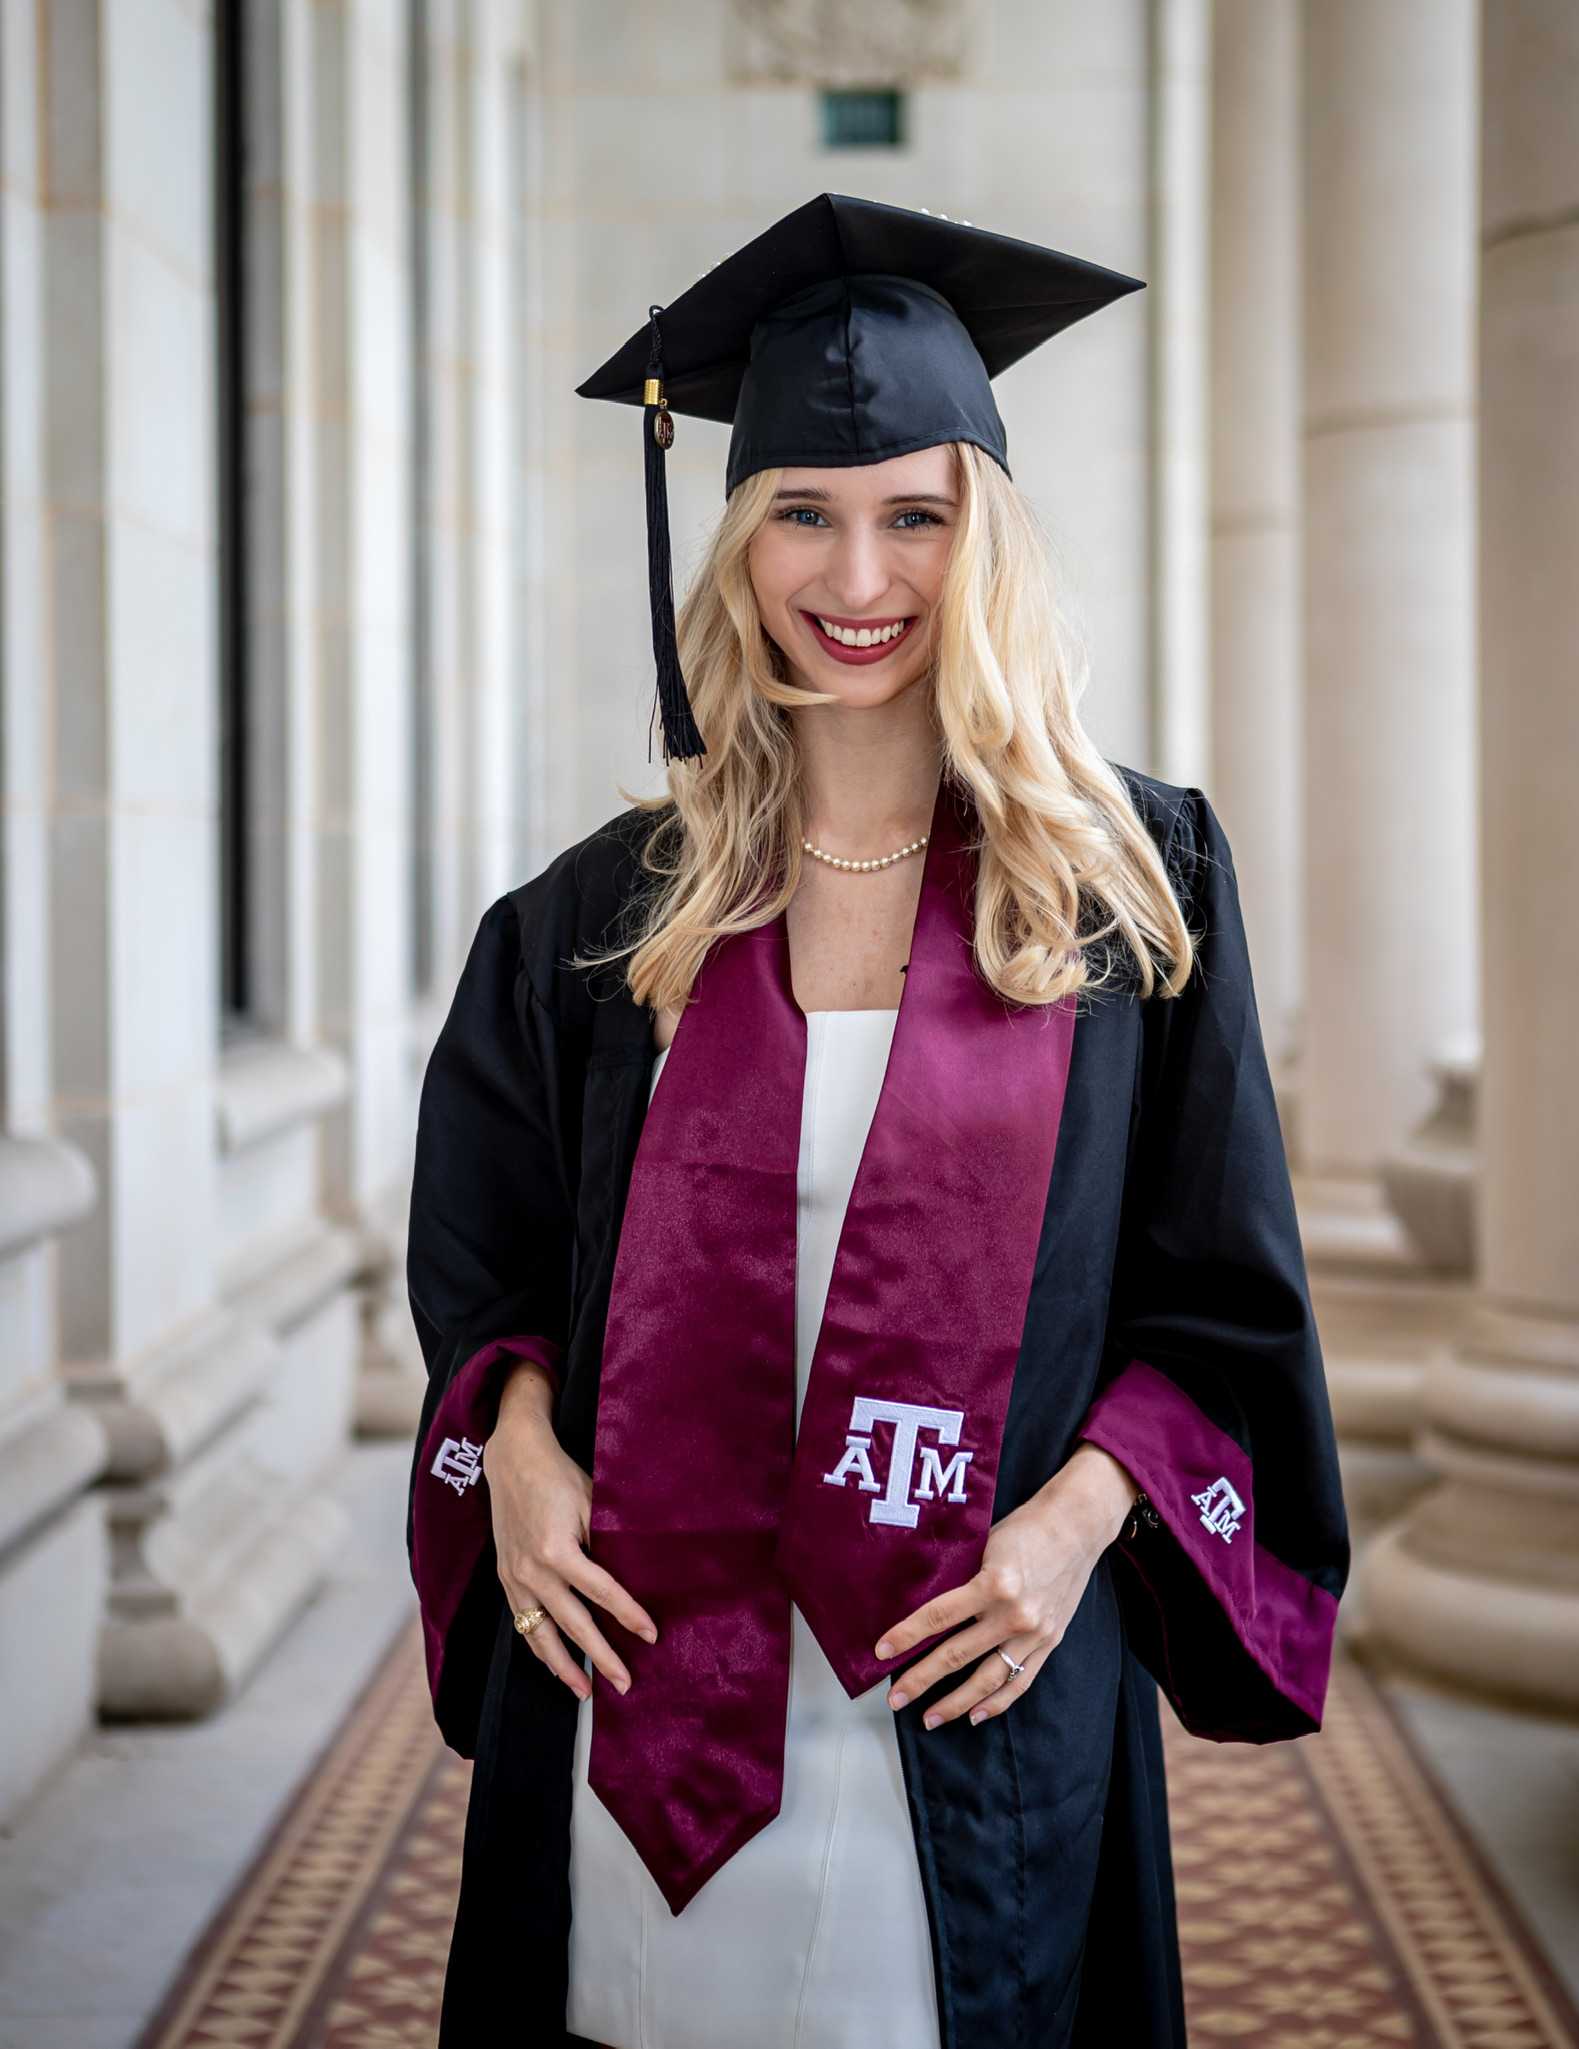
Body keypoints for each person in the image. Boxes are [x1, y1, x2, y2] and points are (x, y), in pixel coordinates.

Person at [405, 194, 1350, 2049]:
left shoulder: (1126, 893)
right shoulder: (603, 920)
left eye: (915, 514)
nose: (861, 577)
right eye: (806, 517)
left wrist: (1073, 1533)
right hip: (639, 1686)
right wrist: (513, 1451)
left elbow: (1222, 1311)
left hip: (966, 1680)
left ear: (981, 533)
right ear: (739, 541)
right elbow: (486, 1266)